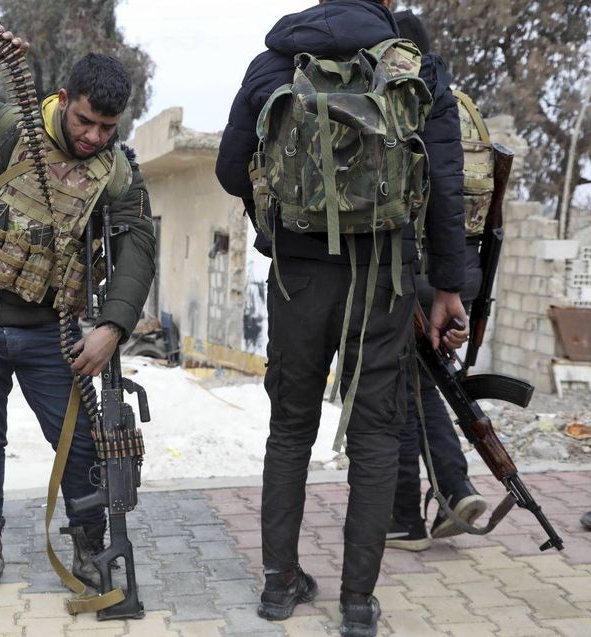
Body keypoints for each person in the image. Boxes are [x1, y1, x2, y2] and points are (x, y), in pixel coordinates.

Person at [216, 1, 468, 635]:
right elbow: (443, 184)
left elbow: (227, 169)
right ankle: (357, 602)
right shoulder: (418, 70)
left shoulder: (272, 61)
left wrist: (274, 221)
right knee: (377, 437)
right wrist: (446, 288)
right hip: (385, 277)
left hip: (299, 276)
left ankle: (279, 586)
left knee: (290, 428)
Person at [0, 27, 155, 600]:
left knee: (79, 442)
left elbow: (138, 245)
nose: (94, 137)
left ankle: (88, 543)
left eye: (107, 127)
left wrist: (112, 327)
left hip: (53, 329)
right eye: (84, 121)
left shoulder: (118, 172)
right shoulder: (8, 126)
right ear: (66, 98)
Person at [386, 9, 487, 552]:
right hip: (462, 271)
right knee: (425, 384)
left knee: (400, 392)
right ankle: (455, 488)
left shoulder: (408, 100)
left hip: (420, 270)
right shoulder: (465, 108)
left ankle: (406, 516)